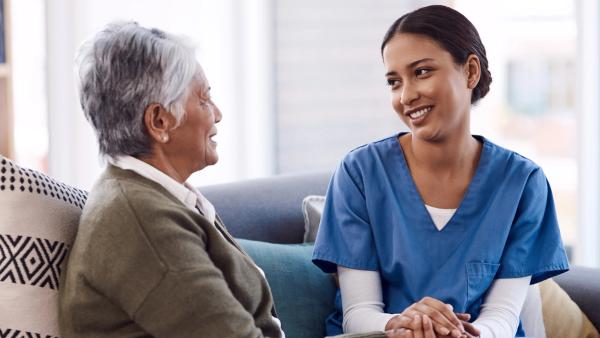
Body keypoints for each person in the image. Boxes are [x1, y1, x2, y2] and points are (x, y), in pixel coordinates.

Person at [312, 5, 569, 338]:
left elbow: (502, 316)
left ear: (470, 72)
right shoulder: (360, 173)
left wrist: (464, 334)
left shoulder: (522, 183)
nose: (406, 95)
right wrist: (402, 323)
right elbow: (358, 314)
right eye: (394, 81)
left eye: (422, 72)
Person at [59, 21, 284, 338]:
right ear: (159, 121)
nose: (217, 114)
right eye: (204, 100)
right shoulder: (140, 220)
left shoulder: (150, 197)